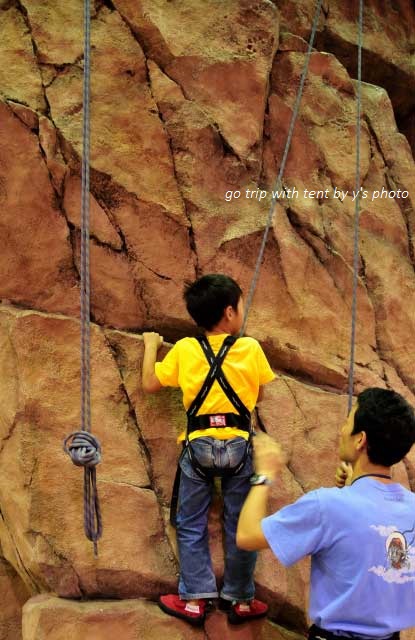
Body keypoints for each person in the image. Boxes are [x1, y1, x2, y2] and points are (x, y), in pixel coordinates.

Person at [142, 274, 275, 626]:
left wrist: (150, 346)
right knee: (239, 523)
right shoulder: (250, 349)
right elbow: (258, 396)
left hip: (198, 445)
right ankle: (241, 600)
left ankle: (195, 597)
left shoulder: (186, 349)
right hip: (239, 446)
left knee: (190, 523)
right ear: (230, 312)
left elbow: (149, 384)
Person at [237, 387, 415, 640]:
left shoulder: (327, 505)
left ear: (360, 439)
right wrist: (351, 487)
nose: (342, 430)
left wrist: (264, 474)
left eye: (347, 422)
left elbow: (246, 535)